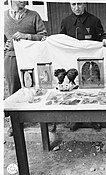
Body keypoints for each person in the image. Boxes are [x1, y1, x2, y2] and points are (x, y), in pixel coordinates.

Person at [60, 3, 106, 131]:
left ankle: (94, 119)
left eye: (80, 4)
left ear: (85, 4)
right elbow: (60, 39)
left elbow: (102, 35)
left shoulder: (94, 20)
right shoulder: (65, 21)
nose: (76, 7)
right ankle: (75, 120)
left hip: (90, 63)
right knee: (74, 90)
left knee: (91, 90)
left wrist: (105, 39)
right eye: (73, 4)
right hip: (72, 63)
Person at [4, 0, 47, 136]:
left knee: (37, 89)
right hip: (12, 58)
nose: (24, 0)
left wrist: (27, 36)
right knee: (14, 90)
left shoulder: (34, 16)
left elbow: (44, 37)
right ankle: (14, 124)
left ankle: (43, 122)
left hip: (31, 59)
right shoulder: (3, 16)